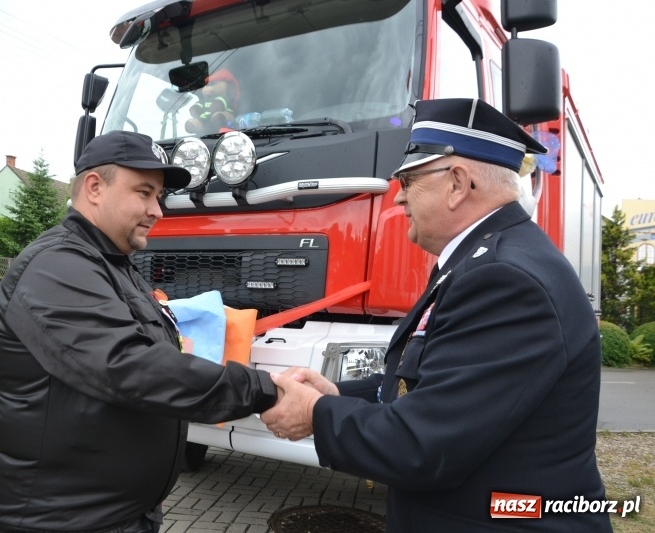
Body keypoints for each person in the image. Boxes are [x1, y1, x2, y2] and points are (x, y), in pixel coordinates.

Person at [261, 98, 612, 532]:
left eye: (410, 179)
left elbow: (423, 444)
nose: (398, 193)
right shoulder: (484, 260)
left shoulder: (506, 278)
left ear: (458, 183)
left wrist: (316, 413)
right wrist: (335, 393)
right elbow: (427, 383)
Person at [0, 130, 278, 533]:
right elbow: (132, 368)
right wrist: (265, 390)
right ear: (94, 187)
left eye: (159, 197)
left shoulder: (114, 266)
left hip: (114, 514)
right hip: (62, 521)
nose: (157, 210)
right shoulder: (57, 267)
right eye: (144, 192)